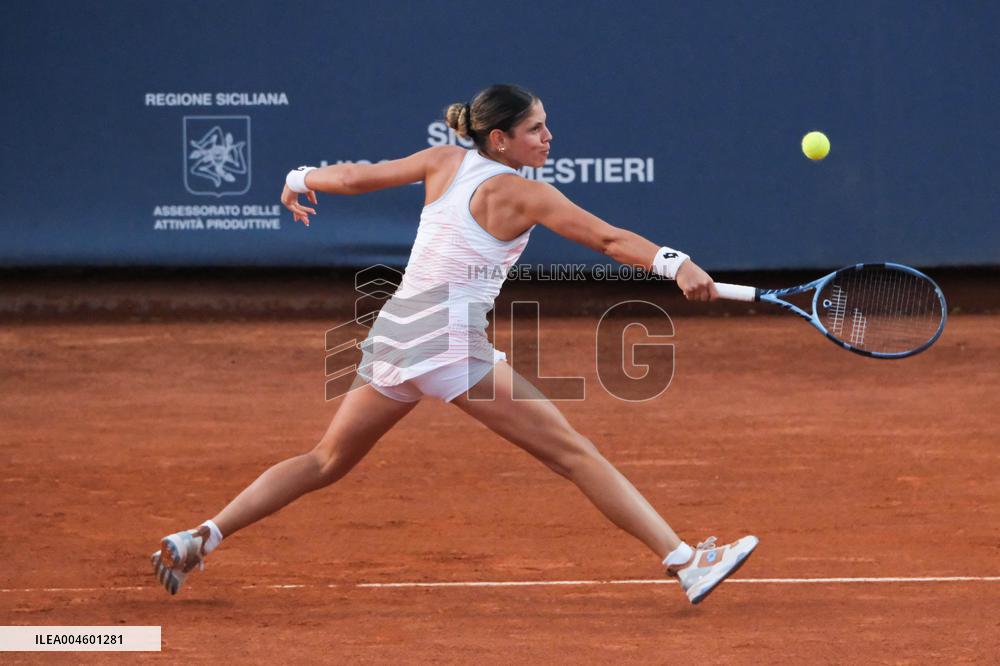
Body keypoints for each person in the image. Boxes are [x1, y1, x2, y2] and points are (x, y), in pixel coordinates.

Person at [151, 84, 757, 605]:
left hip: (397, 331)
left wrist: (295, 178)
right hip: (447, 343)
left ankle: (202, 535)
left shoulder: (443, 162)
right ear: (499, 140)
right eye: (535, 129)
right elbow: (607, 239)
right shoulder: (524, 193)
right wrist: (675, 264)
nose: (549, 137)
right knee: (573, 454)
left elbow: (355, 178)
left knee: (324, 462)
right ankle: (685, 561)